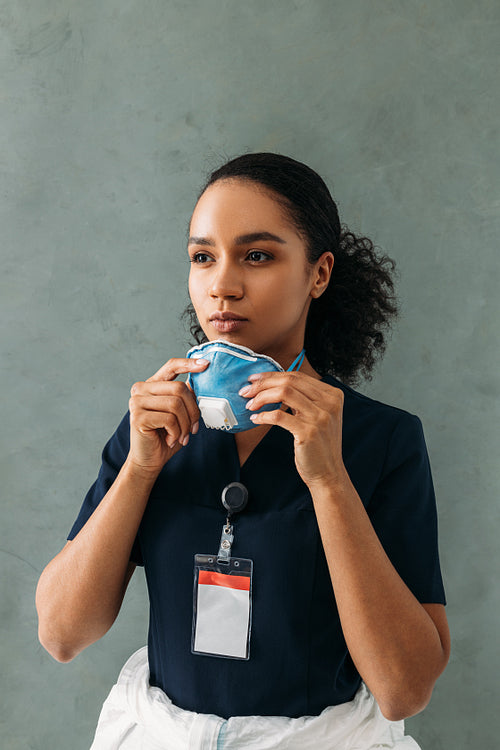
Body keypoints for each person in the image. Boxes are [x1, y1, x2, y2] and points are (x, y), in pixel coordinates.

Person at [36, 152, 450, 749]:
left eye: (257, 256)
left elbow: (403, 690)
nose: (222, 285)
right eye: (203, 257)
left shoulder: (384, 440)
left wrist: (330, 481)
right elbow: (62, 634)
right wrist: (139, 470)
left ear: (319, 273)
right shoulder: (153, 427)